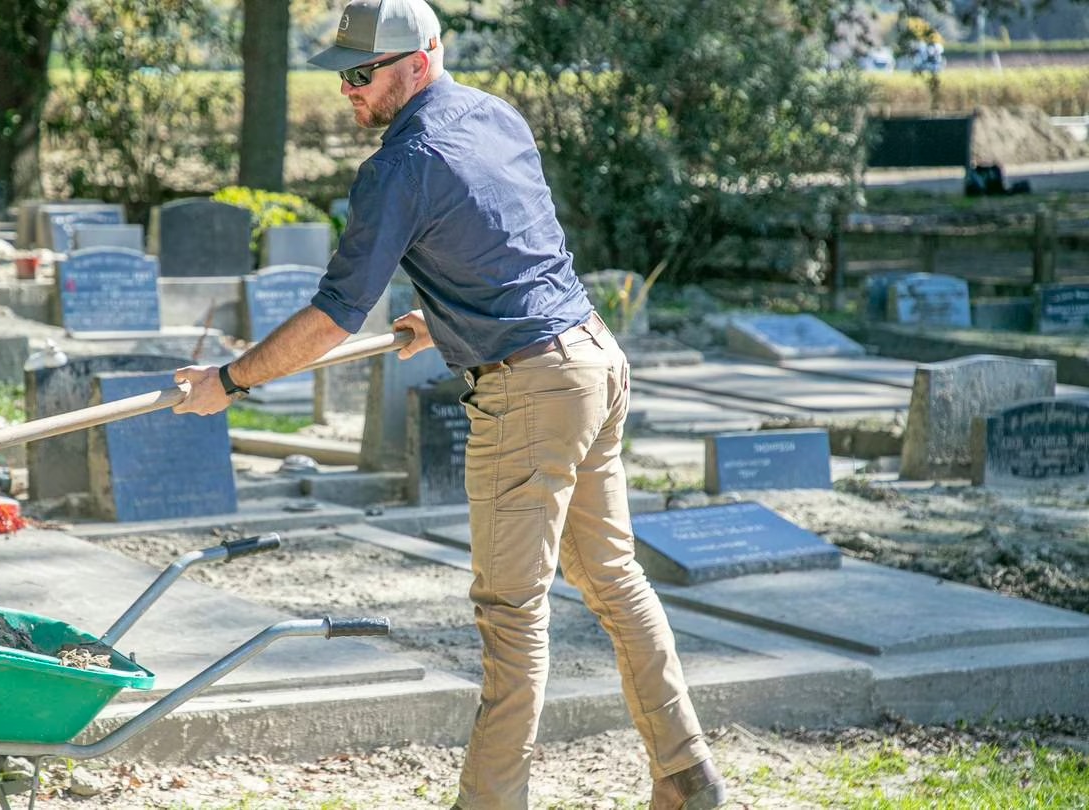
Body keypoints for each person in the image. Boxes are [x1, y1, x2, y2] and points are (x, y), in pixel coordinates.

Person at [172, 1, 726, 807]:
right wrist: (443, 320)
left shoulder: (399, 165)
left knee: (510, 614)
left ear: (418, 62)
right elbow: (510, 245)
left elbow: (334, 314)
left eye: (362, 76)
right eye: (342, 76)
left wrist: (228, 383)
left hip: (531, 388)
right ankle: (685, 774)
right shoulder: (495, 117)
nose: (348, 94)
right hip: (592, 360)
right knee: (612, 578)